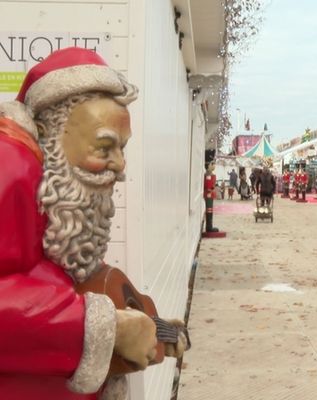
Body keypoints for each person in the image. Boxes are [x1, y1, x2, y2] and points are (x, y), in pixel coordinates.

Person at [0, 47, 187, 400]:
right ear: (47, 134)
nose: (120, 165)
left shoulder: (56, 183)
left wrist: (154, 330)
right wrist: (106, 327)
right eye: (104, 148)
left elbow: (70, 277)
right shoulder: (9, 167)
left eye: (122, 148)